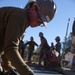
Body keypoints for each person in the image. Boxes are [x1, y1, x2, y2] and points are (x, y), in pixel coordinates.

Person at [0, 0, 57, 75]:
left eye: (41, 23)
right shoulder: (21, 17)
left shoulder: (21, 19)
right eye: (39, 19)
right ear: (33, 9)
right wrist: (28, 73)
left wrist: (8, 67)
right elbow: (10, 48)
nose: (38, 24)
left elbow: (5, 45)